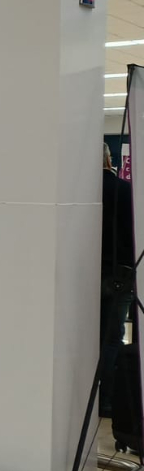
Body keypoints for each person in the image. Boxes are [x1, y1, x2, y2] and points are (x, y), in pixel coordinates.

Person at [101, 143, 134, 417]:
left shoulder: (77, 195)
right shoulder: (125, 191)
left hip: (83, 272)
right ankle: (106, 400)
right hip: (119, 274)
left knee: (83, 337)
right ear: (109, 159)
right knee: (112, 339)